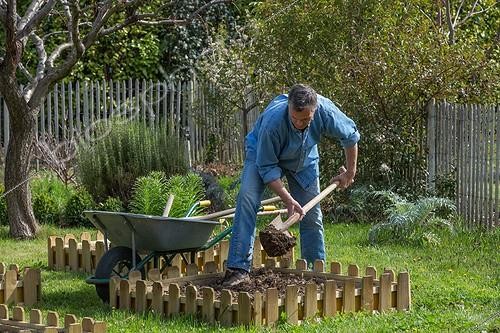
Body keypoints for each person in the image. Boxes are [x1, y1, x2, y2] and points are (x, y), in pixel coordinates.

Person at [223, 84, 360, 287]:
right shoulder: (273, 123)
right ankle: (238, 269)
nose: (298, 124)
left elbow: (350, 136)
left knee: (312, 216)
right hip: (262, 156)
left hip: (303, 160)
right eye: (294, 118)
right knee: (247, 199)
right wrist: (288, 199)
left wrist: (350, 172)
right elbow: (267, 167)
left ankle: (315, 270)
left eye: (305, 119)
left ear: (315, 110)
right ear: (288, 107)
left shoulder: (326, 111)